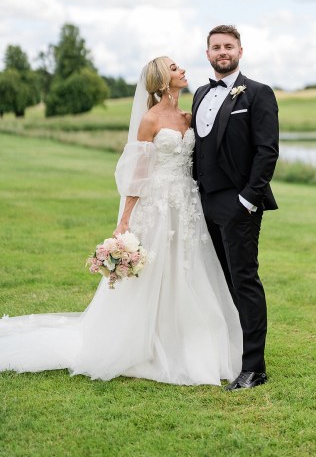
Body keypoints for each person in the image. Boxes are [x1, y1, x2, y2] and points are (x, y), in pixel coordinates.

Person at [0, 56, 242, 386]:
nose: (182, 70)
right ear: (161, 81)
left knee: (187, 267)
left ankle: (186, 338)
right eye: (174, 68)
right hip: (156, 203)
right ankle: (142, 341)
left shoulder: (189, 115)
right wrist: (125, 219)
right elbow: (138, 171)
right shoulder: (150, 120)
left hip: (187, 203)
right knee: (153, 272)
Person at [192, 25, 279, 390]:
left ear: (240, 51)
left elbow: (266, 151)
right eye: (216, 47)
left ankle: (254, 368)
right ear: (207, 53)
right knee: (219, 280)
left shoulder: (257, 93)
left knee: (244, 281)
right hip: (204, 202)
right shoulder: (198, 93)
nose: (222, 52)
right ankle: (231, 353)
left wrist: (247, 199)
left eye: (229, 46)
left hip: (239, 203)